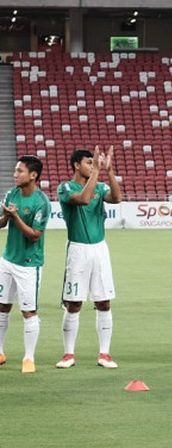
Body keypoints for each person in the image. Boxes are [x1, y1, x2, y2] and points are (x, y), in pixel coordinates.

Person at [56, 146, 123, 369]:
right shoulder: (65, 187)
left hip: (99, 249)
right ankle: (68, 354)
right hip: (77, 250)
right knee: (74, 303)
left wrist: (110, 171)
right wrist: (97, 171)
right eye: (88, 163)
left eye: (92, 163)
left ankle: (104, 354)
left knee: (104, 302)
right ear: (76, 165)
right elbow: (84, 199)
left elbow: (116, 198)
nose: (92, 166)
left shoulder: (101, 185)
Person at [0, 156, 51, 374]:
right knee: (2, 306)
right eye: (15, 170)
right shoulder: (11, 194)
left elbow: (34, 236)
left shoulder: (42, 202)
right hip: (7, 260)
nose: (15, 174)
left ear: (33, 175)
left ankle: (28, 358)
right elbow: (2, 222)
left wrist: (15, 216)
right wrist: (4, 217)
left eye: (19, 171)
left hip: (29, 265)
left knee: (28, 311)